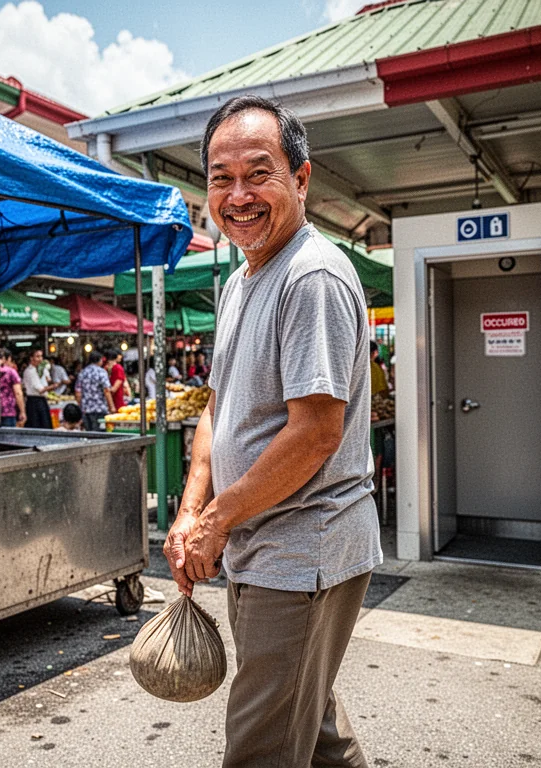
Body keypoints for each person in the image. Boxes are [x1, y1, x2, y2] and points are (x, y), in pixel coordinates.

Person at [164, 96, 378, 768]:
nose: (239, 196)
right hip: (261, 546)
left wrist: (217, 521)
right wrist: (191, 510)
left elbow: (315, 434)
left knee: (262, 744)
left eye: (259, 174)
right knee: (314, 730)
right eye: (221, 179)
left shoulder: (311, 276)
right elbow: (218, 407)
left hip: (301, 548)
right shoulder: (239, 281)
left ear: (301, 179)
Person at [75, 351, 115, 431]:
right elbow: (106, 391)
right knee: (100, 433)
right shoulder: (101, 372)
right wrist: (112, 407)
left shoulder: (82, 373)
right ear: (99, 360)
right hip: (100, 408)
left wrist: (80, 406)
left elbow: (78, 392)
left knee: (89, 433)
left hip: (86, 409)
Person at [22, 348, 53, 429]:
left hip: (41, 400)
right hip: (34, 402)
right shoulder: (30, 371)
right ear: (31, 358)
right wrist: (53, 386)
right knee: (38, 426)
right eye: (37, 356)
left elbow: (48, 380)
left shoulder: (40, 370)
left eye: (41, 356)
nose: (40, 359)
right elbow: (40, 390)